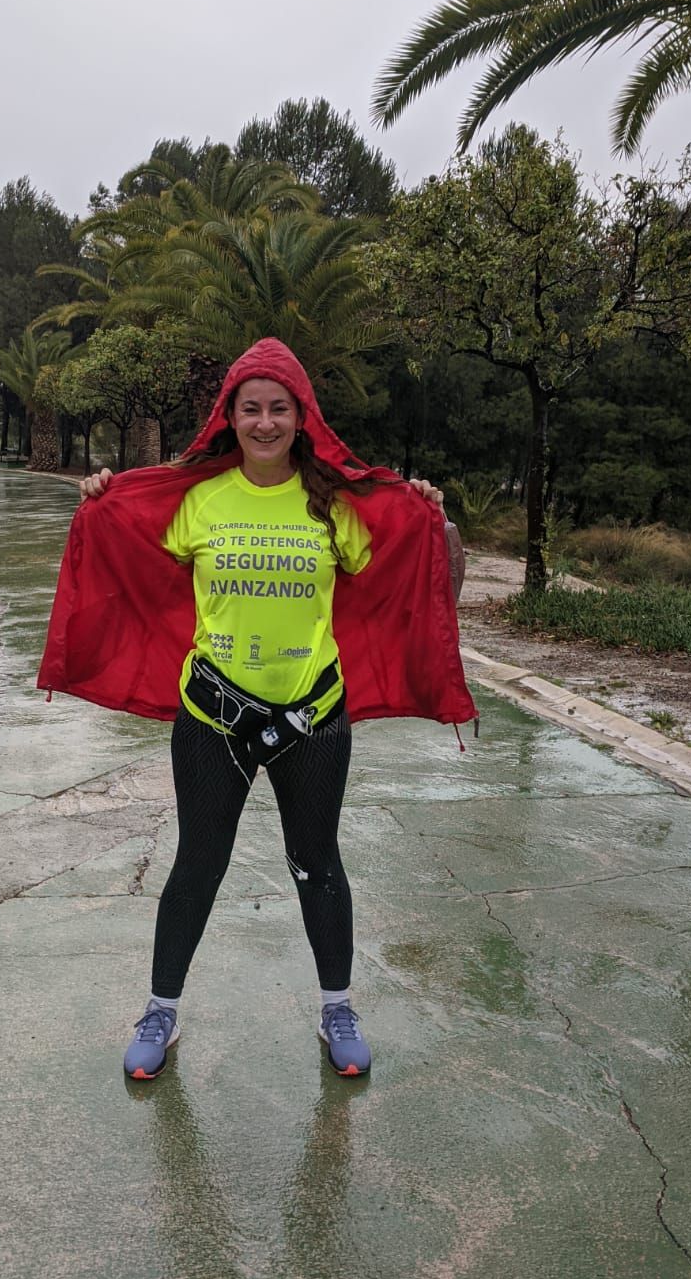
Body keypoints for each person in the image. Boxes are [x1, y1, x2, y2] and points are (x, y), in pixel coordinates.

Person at [38, 338, 476, 1079]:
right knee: (197, 866)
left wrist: (430, 517)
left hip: (314, 717)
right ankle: (161, 1013)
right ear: (230, 418)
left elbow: (416, 571)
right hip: (213, 718)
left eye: (279, 408)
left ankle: (338, 1007)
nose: (266, 422)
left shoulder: (336, 504)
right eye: (252, 409)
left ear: (302, 418)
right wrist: (101, 497)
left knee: (318, 866)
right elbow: (131, 548)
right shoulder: (200, 500)